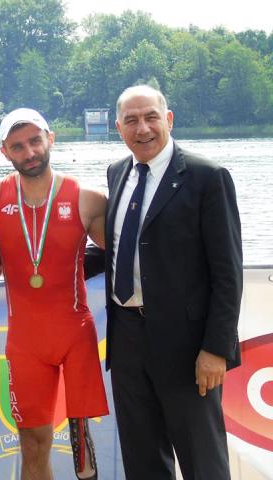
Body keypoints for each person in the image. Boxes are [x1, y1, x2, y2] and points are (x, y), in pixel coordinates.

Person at [0, 108, 109, 480]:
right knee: (32, 445)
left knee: (83, 446)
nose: (29, 152)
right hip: (25, 342)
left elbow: (131, 251)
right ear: (4, 151)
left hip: (74, 334)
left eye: (35, 141)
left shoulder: (87, 199)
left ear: (50, 139)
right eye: (18, 146)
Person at [105, 84, 242, 479]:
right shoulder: (117, 173)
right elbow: (121, 247)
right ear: (119, 127)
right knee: (143, 459)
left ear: (169, 119)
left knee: (203, 460)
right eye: (131, 120)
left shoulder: (207, 177)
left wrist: (216, 349)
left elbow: (228, 272)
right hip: (128, 340)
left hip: (188, 348)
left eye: (150, 117)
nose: (142, 128)